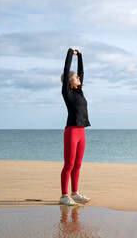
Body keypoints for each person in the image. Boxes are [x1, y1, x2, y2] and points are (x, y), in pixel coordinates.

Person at [59, 48, 91, 206]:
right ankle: (64, 196)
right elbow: (66, 70)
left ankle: (75, 193)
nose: (78, 77)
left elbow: (81, 72)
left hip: (81, 132)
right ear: (69, 81)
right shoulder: (67, 92)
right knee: (69, 165)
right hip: (71, 132)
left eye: (78, 77)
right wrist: (70, 54)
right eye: (75, 77)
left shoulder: (79, 92)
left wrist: (81, 56)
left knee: (78, 165)